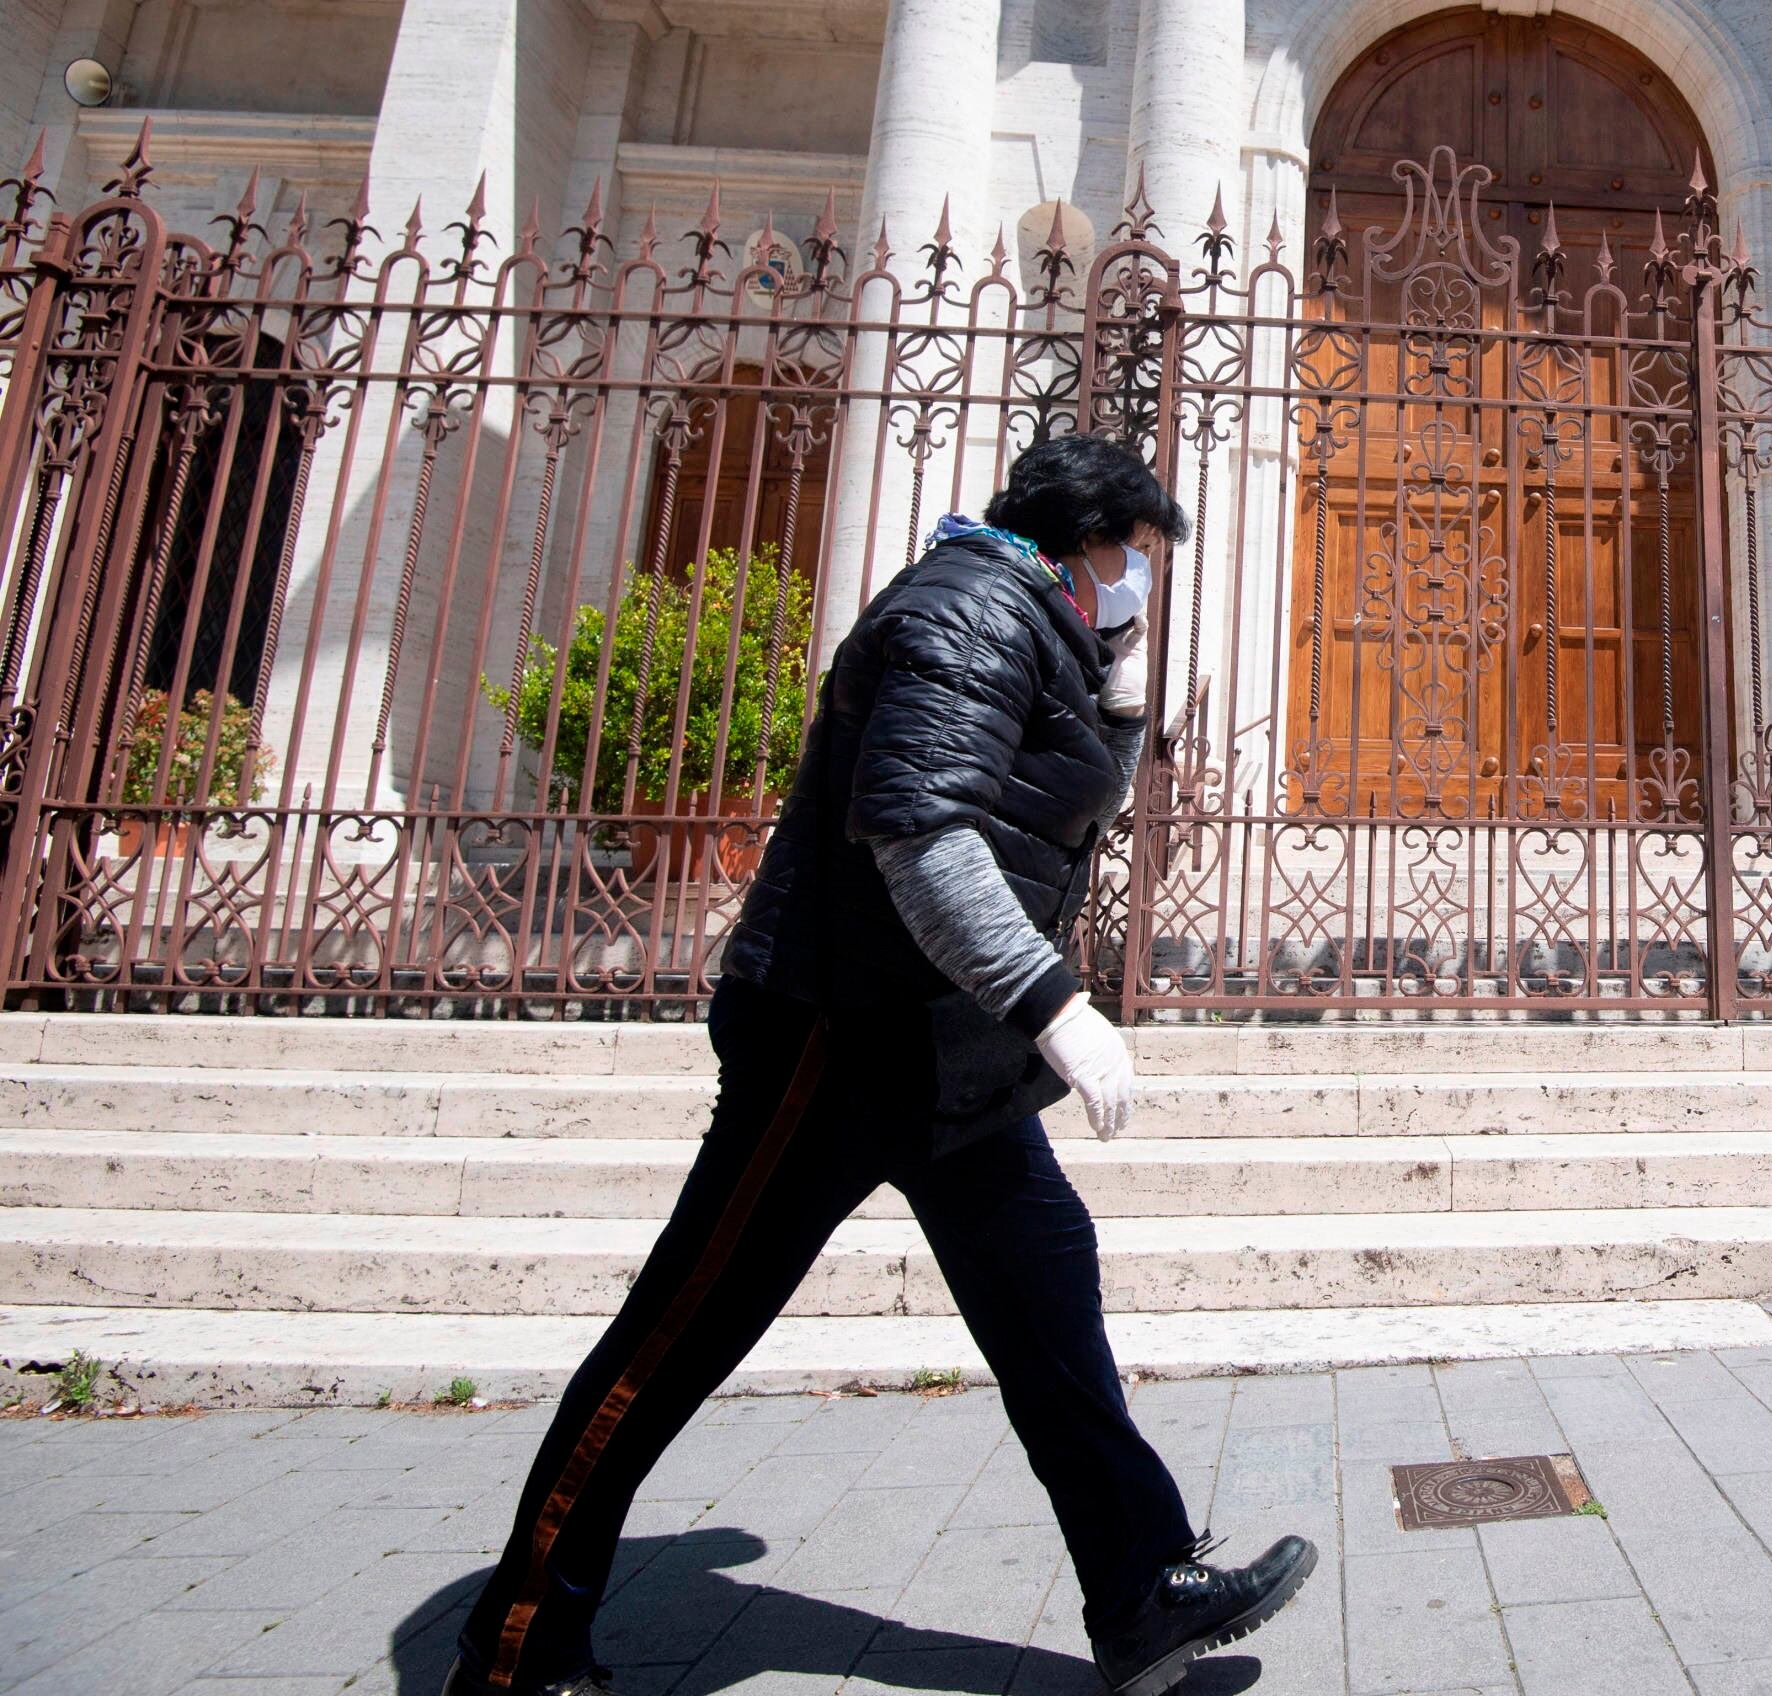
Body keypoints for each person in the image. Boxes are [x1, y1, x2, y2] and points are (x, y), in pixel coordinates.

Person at [448, 432, 1313, 1696]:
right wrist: (1054, 1002)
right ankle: (519, 1638)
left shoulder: (1034, 621)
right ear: (1086, 536)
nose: (1140, 584)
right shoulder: (966, 610)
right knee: (684, 1327)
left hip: (942, 1044)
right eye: (1135, 559)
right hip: (834, 1028)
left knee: (1047, 1293)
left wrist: (1115, 691)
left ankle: (1141, 1591)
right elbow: (922, 823)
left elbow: (1042, 804)